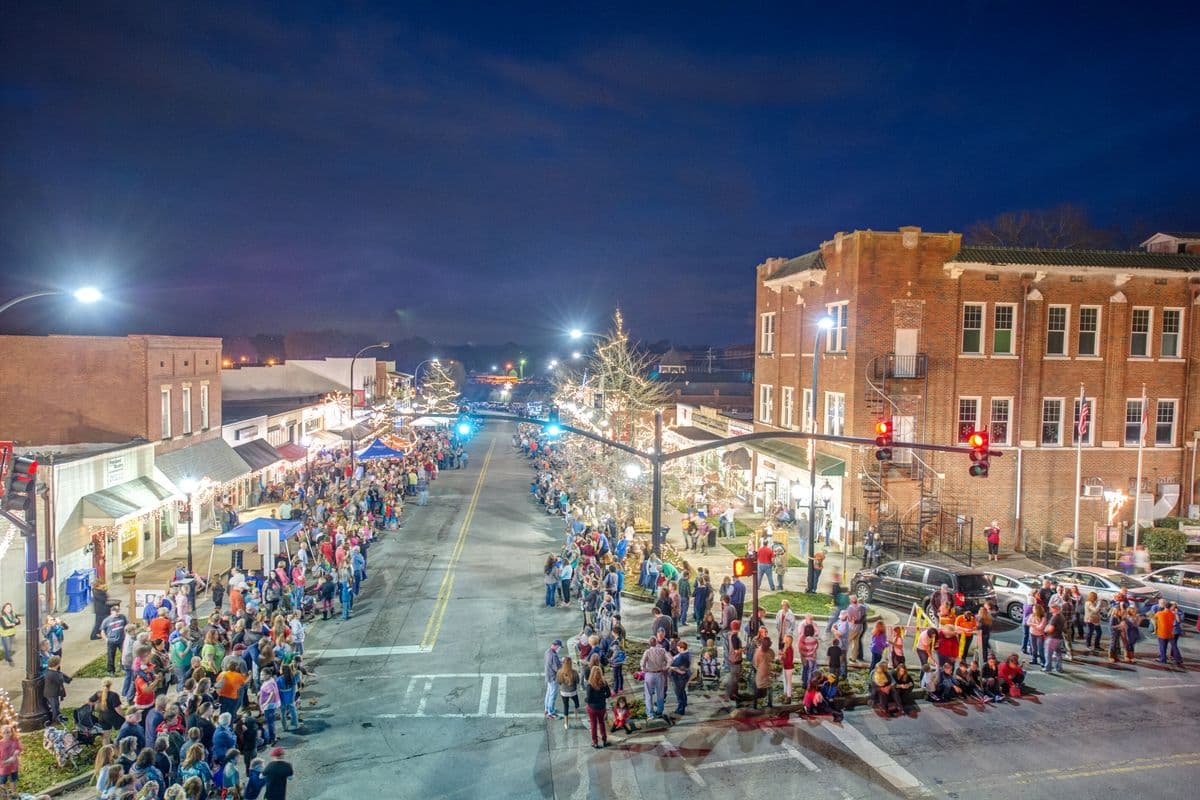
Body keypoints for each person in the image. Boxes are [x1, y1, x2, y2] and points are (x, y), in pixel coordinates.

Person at [42, 655, 71, 724]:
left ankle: (58, 716)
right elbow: (60, 680)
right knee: (54, 707)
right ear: (57, 664)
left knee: (56, 705)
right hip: (52, 693)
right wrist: (62, 675)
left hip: (52, 693)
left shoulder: (49, 671)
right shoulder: (52, 674)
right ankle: (55, 720)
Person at [100, 603, 128, 675]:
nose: (118, 612)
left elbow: (126, 626)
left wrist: (126, 635)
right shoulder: (107, 620)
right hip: (111, 641)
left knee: (124, 654)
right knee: (111, 656)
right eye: (116, 611)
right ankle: (111, 670)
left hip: (121, 640)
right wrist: (106, 639)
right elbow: (102, 631)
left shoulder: (122, 617)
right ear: (111, 612)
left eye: (118, 611)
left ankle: (123, 666)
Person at [556, 657, 580, 731]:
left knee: (566, 706)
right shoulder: (574, 672)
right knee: (576, 703)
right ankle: (576, 715)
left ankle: (566, 723)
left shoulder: (559, 672)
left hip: (563, 692)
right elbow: (578, 681)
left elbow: (559, 682)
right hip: (572, 691)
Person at [544, 639, 563, 719]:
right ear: (555, 646)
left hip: (548, 676)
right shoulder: (554, 656)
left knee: (548, 694)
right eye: (559, 647)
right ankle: (551, 712)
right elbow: (557, 668)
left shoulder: (547, 652)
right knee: (553, 695)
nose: (559, 648)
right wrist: (562, 663)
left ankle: (547, 709)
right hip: (553, 677)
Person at [0, 726, 21, 792]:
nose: (6, 734)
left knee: (13, 779)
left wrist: (16, 753)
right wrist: (4, 761)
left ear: (11, 732)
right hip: (3, 766)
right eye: (4, 733)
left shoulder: (14, 740)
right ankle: (4, 796)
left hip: (13, 765)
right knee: (2, 781)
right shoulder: (0, 743)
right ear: (1, 734)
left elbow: (19, 748)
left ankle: (14, 794)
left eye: (8, 732)